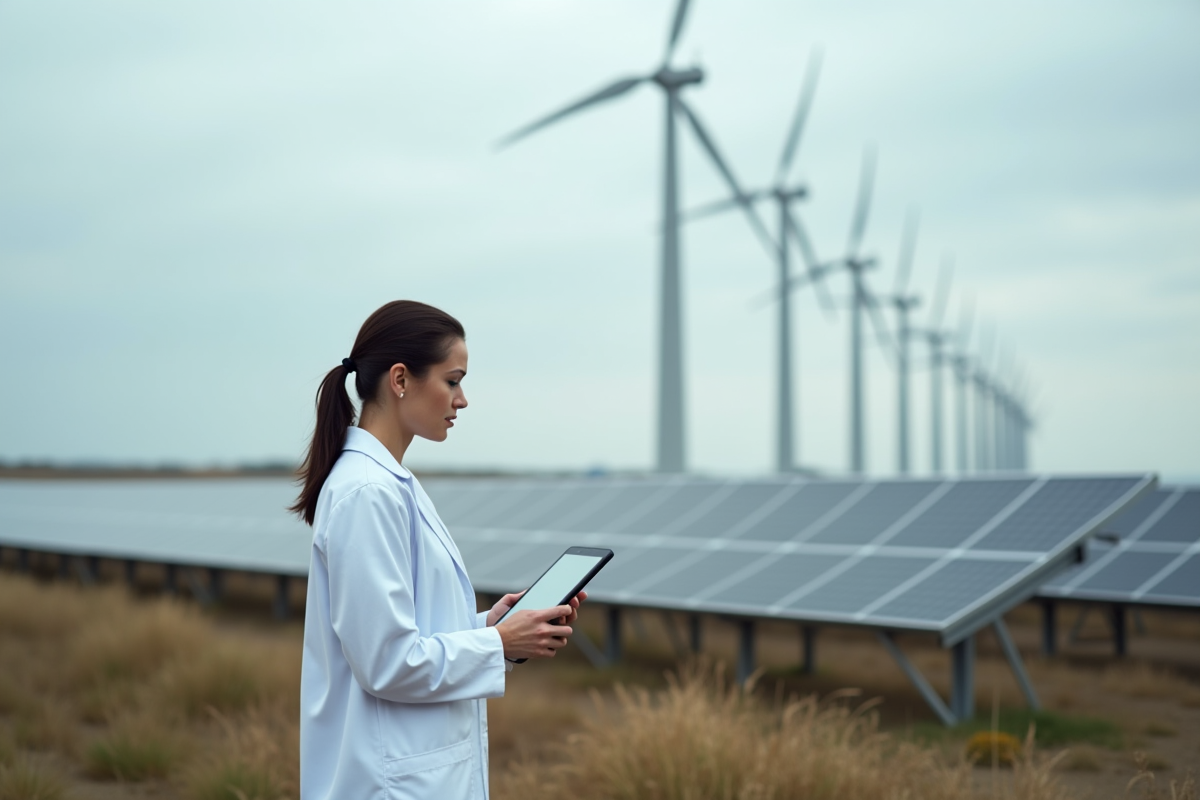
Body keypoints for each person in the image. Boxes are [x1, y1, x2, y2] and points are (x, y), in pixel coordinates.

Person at [291, 300, 585, 800]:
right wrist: (499, 644)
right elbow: (387, 661)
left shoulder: (389, 483)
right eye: (453, 380)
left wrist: (489, 625)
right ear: (400, 379)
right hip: (388, 783)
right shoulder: (368, 493)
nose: (462, 399)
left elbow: (408, 630)